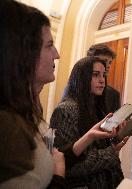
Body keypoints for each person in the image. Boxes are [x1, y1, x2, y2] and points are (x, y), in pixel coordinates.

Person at [0, 0, 65, 188]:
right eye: (49, 45)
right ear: (22, 53)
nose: (57, 54)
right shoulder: (7, 126)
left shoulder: (21, 110)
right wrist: (58, 176)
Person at [50, 56, 128, 189]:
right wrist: (111, 153)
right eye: (95, 75)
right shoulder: (66, 110)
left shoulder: (97, 108)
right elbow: (68, 166)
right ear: (82, 78)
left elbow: (97, 148)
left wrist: (115, 138)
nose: (102, 80)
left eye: (104, 75)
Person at [87, 44, 121, 113]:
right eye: (104, 61)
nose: (108, 66)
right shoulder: (77, 89)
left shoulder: (114, 95)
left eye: (110, 62)